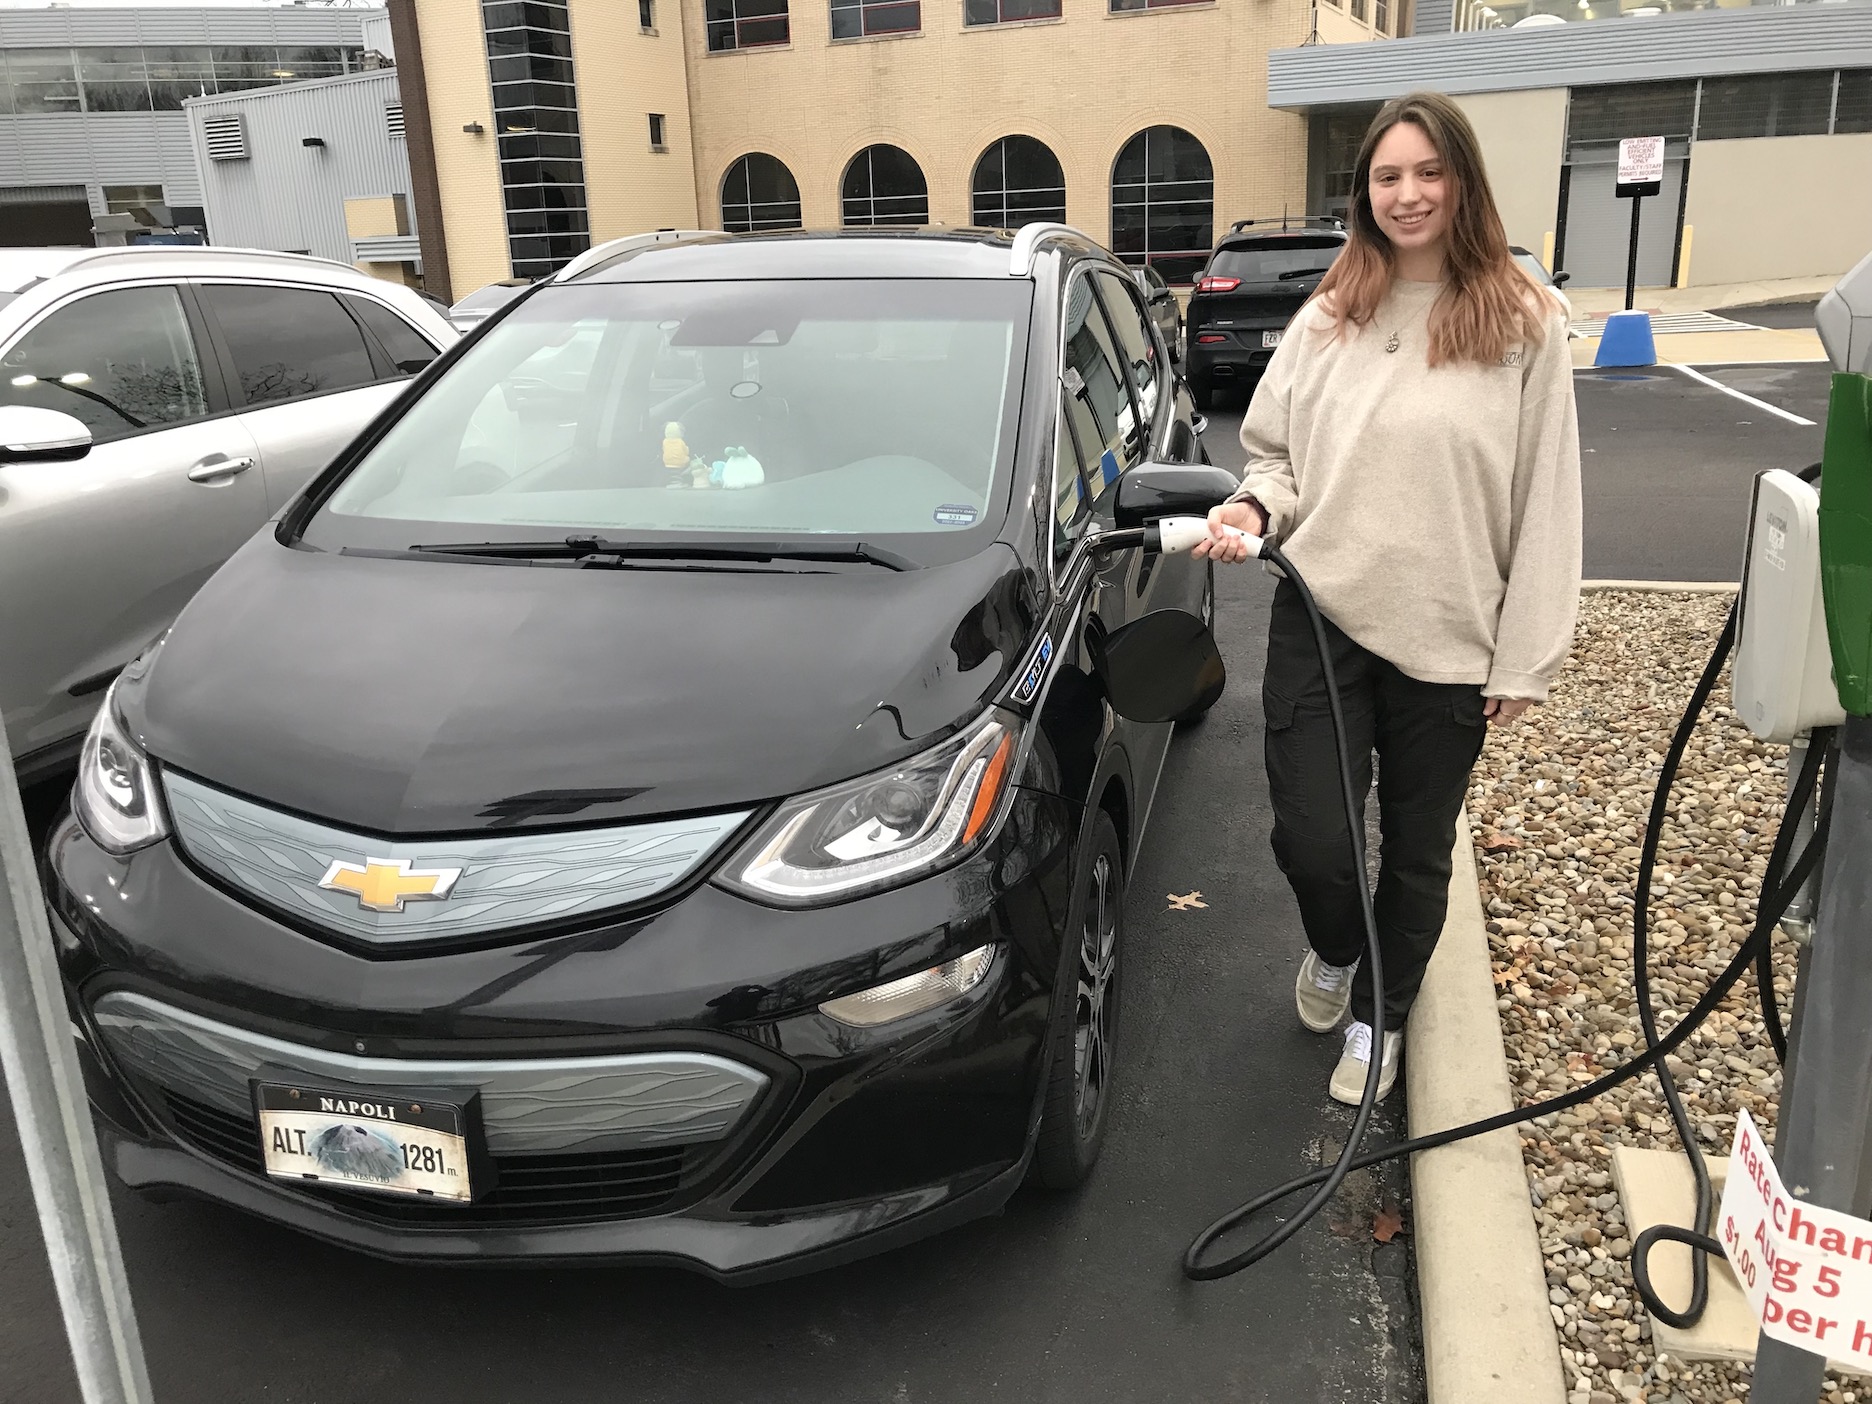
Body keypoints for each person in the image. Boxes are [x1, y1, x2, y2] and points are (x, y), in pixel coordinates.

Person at [1194, 91, 1582, 1105]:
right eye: (1387, 176)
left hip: (1453, 635)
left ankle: (1381, 1017)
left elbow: (1549, 498)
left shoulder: (1524, 324)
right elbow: (1272, 452)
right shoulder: (1332, 312)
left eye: (1427, 172)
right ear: (1364, 192)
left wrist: (1525, 655)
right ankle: (1336, 947)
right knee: (1312, 837)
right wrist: (1250, 507)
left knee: (1416, 853)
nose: (1407, 194)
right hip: (1323, 614)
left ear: (1462, 180)